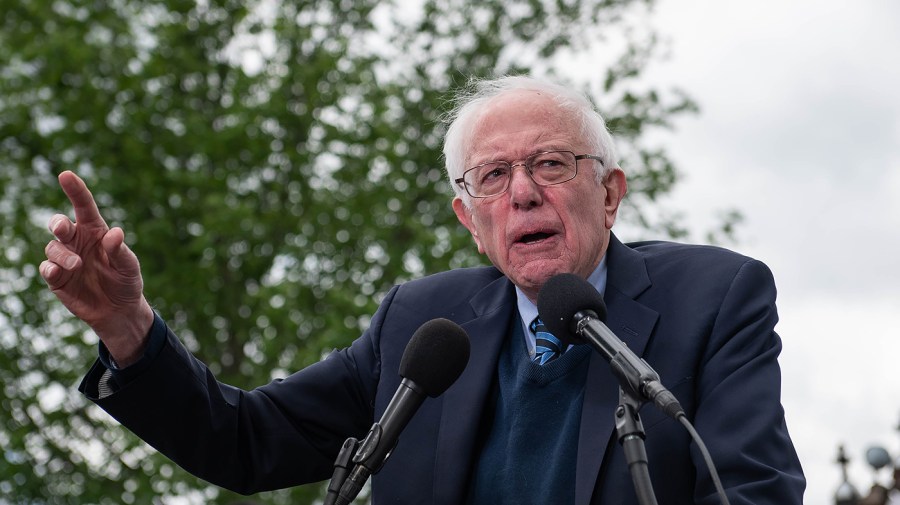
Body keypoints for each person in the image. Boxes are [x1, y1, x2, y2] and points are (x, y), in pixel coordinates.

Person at [41, 75, 805, 504]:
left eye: (551, 163)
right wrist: (129, 330)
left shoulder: (717, 297)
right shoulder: (424, 321)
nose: (524, 192)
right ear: (470, 220)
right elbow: (246, 440)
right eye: (493, 177)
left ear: (609, 194)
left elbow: (752, 493)